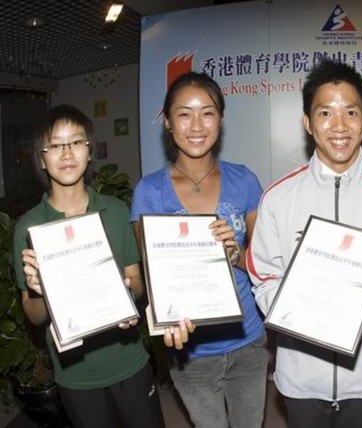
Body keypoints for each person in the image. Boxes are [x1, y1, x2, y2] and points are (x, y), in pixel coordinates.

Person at [247, 58, 362, 428]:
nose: (339, 126)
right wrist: (303, 307)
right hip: (301, 376)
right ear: (308, 123)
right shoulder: (278, 198)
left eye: (351, 112)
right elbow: (264, 279)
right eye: (325, 113)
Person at [130, 71, 267, 428]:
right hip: (189, 349)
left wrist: (234, 256)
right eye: (184, 113)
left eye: (207, 112)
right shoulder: (150, 192)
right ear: (168, 123)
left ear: (221, 119)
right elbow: (153, 279)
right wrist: (162, 324)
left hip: (247, 339)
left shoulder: (245, 180)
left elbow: (262, 263)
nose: (196, 124)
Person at [14, 105, 164, 428]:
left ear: (89, 150)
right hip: (75, 374)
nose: (66, 153)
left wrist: (126, 292)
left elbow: (136, 282)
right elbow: (34, 313)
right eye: (55, 145)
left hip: (129, 361)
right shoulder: (29, 228)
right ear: (42, 158)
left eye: (76, 142)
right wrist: (42, 292)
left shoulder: (114, 210)